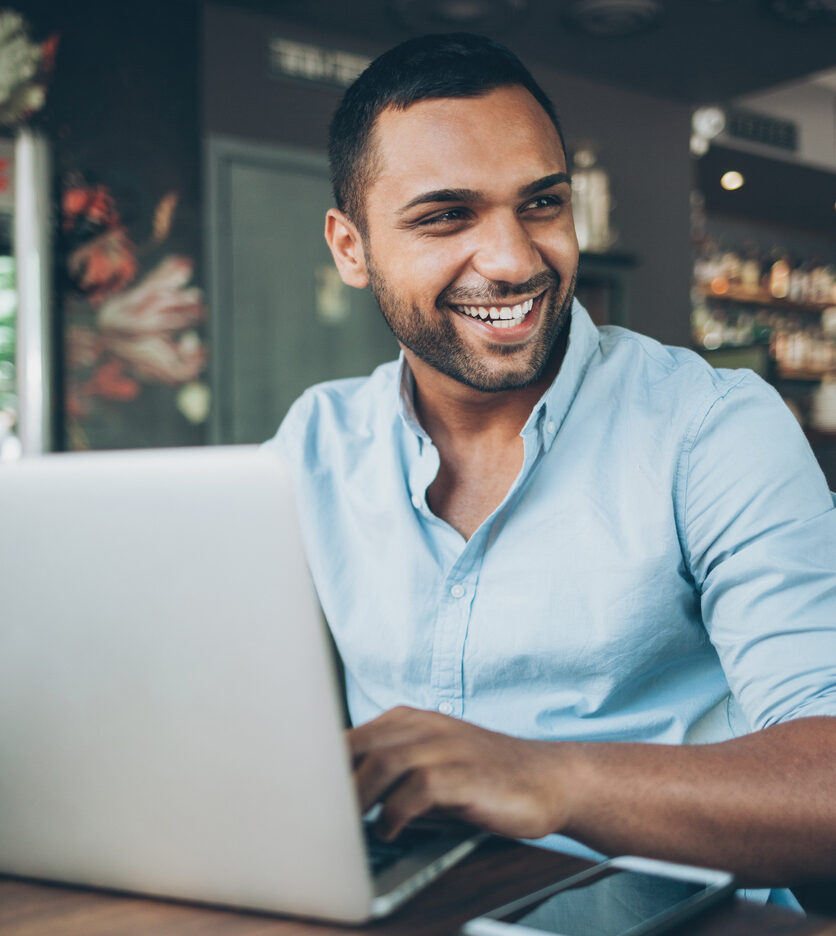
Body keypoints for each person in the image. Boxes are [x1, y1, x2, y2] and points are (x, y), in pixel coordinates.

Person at [266, 33, 836, 893]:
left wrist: (544, 778)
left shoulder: (714, 429)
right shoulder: (312, 445)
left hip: (660, 913)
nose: (514, 261)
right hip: (412, 905)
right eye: (447, 216)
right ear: (352, 249)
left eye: (541, 204)